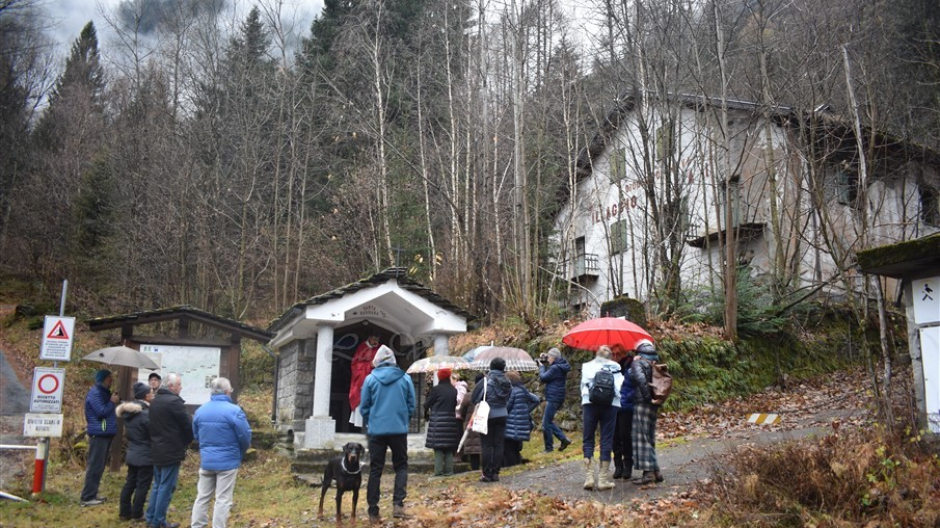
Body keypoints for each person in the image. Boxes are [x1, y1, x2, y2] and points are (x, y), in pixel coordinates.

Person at [359, 345, 416, 523]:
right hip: (398, 430)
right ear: (393, 361)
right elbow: (411, 405)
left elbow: (364, 407)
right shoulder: (405, 378)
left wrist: (372, 419)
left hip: (376, 430)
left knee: (375, 469)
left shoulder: (370, 379)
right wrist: (403, 418)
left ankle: (373, 511)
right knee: (401, 466)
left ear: (377, 361)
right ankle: (398, 504)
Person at [191, 377, 252, 528]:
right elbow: (245, 436)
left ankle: (197, 525)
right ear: (227, 392)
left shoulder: (200, 411)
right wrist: (240, 452)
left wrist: (206, 449)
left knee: (202, 497)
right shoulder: (235, 411)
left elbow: (196, 435)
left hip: (207, 460)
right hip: (228, 461)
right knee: (223, 499)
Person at [146, 373, 193, 528]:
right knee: (166, 487)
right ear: (171, 386)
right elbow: (187, 425)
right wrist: (188, 441)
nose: (181, 387)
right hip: (171, 450)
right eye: (179, 384)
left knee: (158, 485)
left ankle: (151, 517)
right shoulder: (174, 402)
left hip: (157, 448)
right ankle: (158, 521)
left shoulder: (155, 401)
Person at [580, 345, 624, 491]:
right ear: (611, 356)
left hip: (589, 403)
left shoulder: (586, 366)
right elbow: (618, 389)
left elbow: (583, 387)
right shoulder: (616, 366)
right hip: (611, 405)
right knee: (606, 439)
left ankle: (589, 478)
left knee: (588, 438)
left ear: (596, 355)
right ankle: (603, 480)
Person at [469, 357, 512, 483]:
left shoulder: (485, 381)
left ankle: (487, 473)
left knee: (487, 444)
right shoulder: (507, 382)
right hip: (503, 414)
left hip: (487, 415)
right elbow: (509, 397)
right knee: (498, 444)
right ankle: (495, 473)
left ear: (491, 367)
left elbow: (474, 398)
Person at [81, 369, 120, 507]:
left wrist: (110, 399)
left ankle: (92, 493)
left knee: (99, 466)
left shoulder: (103, 392)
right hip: (99, 433)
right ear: (103, 379)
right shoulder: (96, 393)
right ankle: (87, 497)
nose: (111, 380)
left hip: (104, 433)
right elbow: (101, 412)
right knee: (95, 466)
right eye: (109, 378)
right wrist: (112, 402)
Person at [117, 382, 154, 520]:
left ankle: (124, 512)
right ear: (146, 396)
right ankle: (137, 513)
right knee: (142, 485)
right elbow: (153, 433)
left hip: (132, 452)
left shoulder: (129, 414)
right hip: (145, 454)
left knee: (130, 483)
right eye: (151, 393)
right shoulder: (145, 414)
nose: (153, 395)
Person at [630, 340, 664, 485]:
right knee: (649, 437)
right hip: (654, 403)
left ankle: (648, 474)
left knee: (641, 437)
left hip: (643, 403)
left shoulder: (638, 362)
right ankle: (656, 471)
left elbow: (639, 379)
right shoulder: (655, 361)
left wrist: (647, 398)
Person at [424, 368, 462, 477]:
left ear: (439, 377)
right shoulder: (453, 390)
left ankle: (438, 471)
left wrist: (431, 407)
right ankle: (449, 471)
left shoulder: (436, 390)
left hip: (438, 422)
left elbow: (426, 404)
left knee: (438, 448)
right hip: (450, 421)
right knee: (449, 448)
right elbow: (455, 404)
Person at [538, 348, 572, 453]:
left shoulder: (555, 368)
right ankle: (563, 439)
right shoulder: (561, 365)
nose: (548, 359)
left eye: (549, 357)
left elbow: (543, 377)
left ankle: (549, 448)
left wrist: (542, 367)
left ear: (554, 357)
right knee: (548, 421)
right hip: (557, 396)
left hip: (554, 397)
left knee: (545, 423)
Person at [503, 370, 540, 467]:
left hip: (511, 423)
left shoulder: (511, 391)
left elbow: (508, 407)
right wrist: (526, 410)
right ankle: (517, 464)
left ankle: (512, 466)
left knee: (508, 447)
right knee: (516, 446)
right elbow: (536, 400)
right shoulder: (523, 390)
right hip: (522, 424)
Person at [612, 345, 636, 480]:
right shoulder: (608, 367)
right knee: (614, 437)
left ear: (623, 353)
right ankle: (618, 465)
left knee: (625, 436)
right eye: (613, 354)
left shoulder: (631, 366)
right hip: (611, 407)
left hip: (626, 406)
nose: (615, 356)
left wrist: (626, 398)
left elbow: (635, 385)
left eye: (617, 354)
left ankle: (628, 465)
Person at [349, 335, 381, 427]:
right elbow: (355, 364)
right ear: (369, 338)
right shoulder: (362, 348)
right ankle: (360, 424)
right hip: (362, 379)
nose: (376, 341)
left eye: (377, 340)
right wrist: (369, 365)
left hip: (376, 379)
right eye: (374, 339)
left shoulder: (380, 348)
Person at [456, 374, 483, 471]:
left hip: (471, 424)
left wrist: (465, 419)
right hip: (485, 423)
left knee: (474, 448)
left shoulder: (468, 396)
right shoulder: (488, 395)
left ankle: (475, 469)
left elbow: (461, 411)